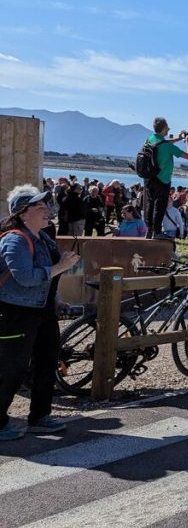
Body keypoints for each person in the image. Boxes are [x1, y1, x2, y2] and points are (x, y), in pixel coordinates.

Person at [0, 185, 80, 441]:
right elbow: (24, 278)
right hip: (16, 314)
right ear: (23, 213)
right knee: (11, 369)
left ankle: (40, 416)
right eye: (40, 208)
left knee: (46, 363)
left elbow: (46, 279)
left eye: (46, 207)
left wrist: (56, 298)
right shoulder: (14, 239)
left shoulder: (42, 237)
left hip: (42, 312)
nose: (47, 212)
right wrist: (61, 266)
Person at [143, 117, 188, 238]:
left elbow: (164, 143)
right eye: (167, 127)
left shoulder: (150, 139)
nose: (169, 129)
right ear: (164, 128)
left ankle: (149, 231)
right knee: (159, 206)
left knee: (150, 204)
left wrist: (179, 137)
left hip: (150, 179)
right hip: (163, 180)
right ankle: (157, 232)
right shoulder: (168, 147)